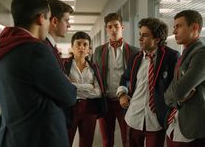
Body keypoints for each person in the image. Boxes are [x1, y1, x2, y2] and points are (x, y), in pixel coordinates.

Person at [0, 0, 76, 147]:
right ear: (41, 19)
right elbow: (68, 95)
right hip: (39, 138)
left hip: (11, 137)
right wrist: (66, 82)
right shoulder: (35, 50)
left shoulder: (0, 48)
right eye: (49, 19)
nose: (49, 24)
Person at [116, 18, 179, 147]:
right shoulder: (135, 57)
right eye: (140, 34)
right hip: (134, 116)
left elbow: (176, 86)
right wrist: (122, 94)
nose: (140, 39)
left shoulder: (171, 57)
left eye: (145, 35)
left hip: (156, 120)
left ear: (157, 39)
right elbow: (125, 77)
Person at [164, 10, 205, 147]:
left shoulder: (204, 53)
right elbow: (169, 96)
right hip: (175, 126)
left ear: (194, 27)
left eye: (178, 26)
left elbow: (177, 91)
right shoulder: (186, 54)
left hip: (192, 131)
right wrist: (175, 96)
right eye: (174, 27)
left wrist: (175, 94)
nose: (174, 32)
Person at [93, 12, 138, 147]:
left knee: (128, 139)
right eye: (110, 27)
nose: (113, 30)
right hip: (106, 101)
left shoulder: (134, 51)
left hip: (126, 101)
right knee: (107, 140)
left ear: (122, 28)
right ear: (106, 29)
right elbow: (95, 75)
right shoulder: (99, 51)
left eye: (116, 26)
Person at [63, 31, 105, 147]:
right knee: (66, 141)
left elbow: (98, 92)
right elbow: (64, 88)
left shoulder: (93, 68)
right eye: (78, 44)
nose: (81, 47)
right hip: (69, 109)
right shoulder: (64, 65)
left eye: (85, 45)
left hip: (90, 110)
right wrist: (89, 87)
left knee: (87, 143)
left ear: (89, 49)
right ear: (72, 47)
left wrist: (73, 86)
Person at [45, 0, 74, 127]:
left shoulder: (50, 47)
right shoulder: (43, 49)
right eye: (66, 20)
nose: (69, 25)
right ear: (55, 21)